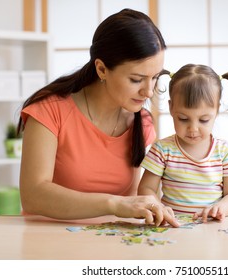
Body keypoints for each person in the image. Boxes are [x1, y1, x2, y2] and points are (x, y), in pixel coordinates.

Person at [18, 9, 179, 227]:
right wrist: (114, 204)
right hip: (50, 241)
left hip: (115, 243)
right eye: (136, 79)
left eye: (155, 78)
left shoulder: (143, 122)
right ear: (102, 69)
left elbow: (142, 197)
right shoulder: (49, 111)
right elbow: (33, 195)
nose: (148, 92)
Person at [138, 64, 228, 222]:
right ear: (171, 108)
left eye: (203, 120)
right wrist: (158, 208)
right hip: (172, 228)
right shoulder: (162, 150)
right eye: (183, 119)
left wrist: (221, 208)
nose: (193, 129)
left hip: (211, 229)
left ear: (217, 110)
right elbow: (146, 188)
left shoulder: (225, 151)